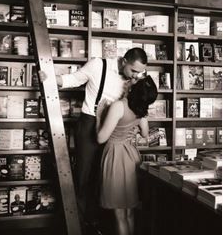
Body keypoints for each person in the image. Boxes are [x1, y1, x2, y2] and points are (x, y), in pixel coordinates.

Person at [39, 48, 148, 224]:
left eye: (139, 72)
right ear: (124, 61)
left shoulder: (134, 79)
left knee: (105, 180)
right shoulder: (98, 65)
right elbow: (73, 79)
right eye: (134, 71)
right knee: (83, 177)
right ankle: (80, 229)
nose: (136, 76)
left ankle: (100, 226)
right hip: (90, 123)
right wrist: (50, 78)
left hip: (114, 128)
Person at [97, 76, 158, 235]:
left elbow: (100, 138)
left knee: (119, 214)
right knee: (130, 212)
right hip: (131, 155)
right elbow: (145, 134)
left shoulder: (117, 106)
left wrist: (99, 115)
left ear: (134, 90)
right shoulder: (141, 109)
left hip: (115, 155)